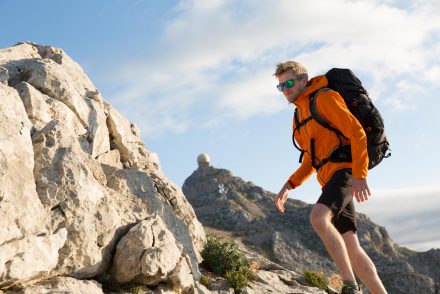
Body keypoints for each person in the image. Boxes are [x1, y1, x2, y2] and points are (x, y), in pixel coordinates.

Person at [273, 61, 387, 294]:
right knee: (351, 245)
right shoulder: (299, 115)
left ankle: (349, 286)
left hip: (344, 170)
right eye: (281, 86)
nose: (285, 89)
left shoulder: (324, 98)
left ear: (304, 80)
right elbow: (310, 160)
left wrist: (360, 175)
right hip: (328, 178)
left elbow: (356, 132)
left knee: (318, 218)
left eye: (289, 83)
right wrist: (289, 184)